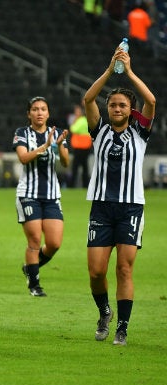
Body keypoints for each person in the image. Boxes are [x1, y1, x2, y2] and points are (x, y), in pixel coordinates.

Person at [83, 45, 155, 346]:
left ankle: (122, 328)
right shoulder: (97, 130)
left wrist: (129, 71)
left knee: (124, 268)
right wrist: (109, 69)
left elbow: (151, 100)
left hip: (130, 208)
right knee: (97, 272)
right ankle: (104, 312)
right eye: (112, 105)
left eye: (122, 105)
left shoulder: (140, 133)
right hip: (101, 207)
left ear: (130, 109)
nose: (116, 109)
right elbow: (87, 98)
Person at [12, 96, 69, 297]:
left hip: (52, 195)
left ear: (48, 113)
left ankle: (30, 267)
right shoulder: (21, 133)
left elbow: (65, 163)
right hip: (28, 194)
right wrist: (44, 147)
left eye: (43, 109)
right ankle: (34, 285)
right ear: (29, 114)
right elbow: (23, 158)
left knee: (54, 243)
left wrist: (60, 145)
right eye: (35, 109)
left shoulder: (57, 134)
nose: (39, 112)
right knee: (35, 239)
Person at [68, 103, 91, 188]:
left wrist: (74, 121)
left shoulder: (82, 121)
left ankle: (72, 186)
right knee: (84, 167)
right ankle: (85, 186)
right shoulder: (84, 120)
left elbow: (73, 129)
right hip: (84, 147)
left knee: (76, 167)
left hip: (80, 147)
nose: (76, 113)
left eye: (77, 112)